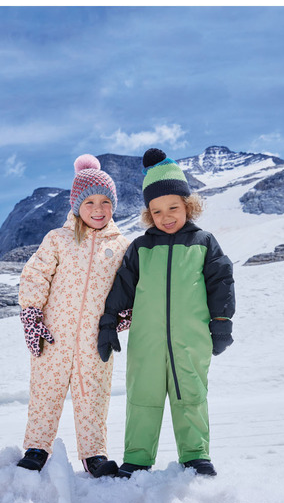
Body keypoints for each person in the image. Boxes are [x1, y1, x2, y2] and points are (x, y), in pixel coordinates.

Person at [98, 148, 235, 478]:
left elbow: (221, 281)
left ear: (188, 206)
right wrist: (107, 323)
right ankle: (137, 458)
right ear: (148, 214)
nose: (166, 215)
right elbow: (122, 287)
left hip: (192, 337)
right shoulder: (142, 248)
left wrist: (221, 323)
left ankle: (196, 455)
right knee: (142, 397)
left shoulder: (204, 242)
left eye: (173, 207)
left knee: (191, 395)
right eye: (156, 210)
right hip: (146, 340)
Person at [16, 154, 130, 477]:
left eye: (106, 201)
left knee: (94, 395)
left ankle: (94, 454)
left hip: (96, 340)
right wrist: (32, 315)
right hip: (53, 335)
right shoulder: (59, 240)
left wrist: (124, 315)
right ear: (76, 203)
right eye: (90, 201)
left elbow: (130, 287)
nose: (98, 209)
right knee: (45, 391)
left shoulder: (121, 246)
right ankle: (37, 447)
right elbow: (35, 275)